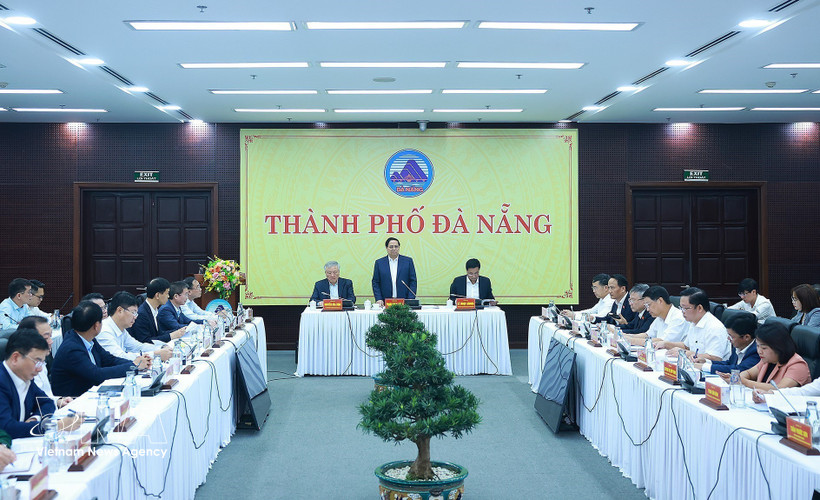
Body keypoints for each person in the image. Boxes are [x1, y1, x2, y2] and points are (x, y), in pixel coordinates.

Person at [51, 301, 149, 398]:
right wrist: (134, 366)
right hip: (72, 400)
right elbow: (96, 375)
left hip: (90, 393)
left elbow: (109, 360)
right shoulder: (72, 349)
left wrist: (136, 364)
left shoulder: (89, 339)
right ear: (96, 326)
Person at [0, 329, 81, 438]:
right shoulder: (2, 381)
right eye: (37, 361)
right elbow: (6, 428)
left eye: (42, 362)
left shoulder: (25, 378)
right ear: (15, 358)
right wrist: (55, 426)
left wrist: (35, 418)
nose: (40, 369)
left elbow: (47, 402)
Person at [719, 321, 811, 392]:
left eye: (764, 348)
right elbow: (749, 373)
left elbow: (780, 390)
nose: (759, 351)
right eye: (757, 346)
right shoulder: (768, 360)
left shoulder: (797, 365)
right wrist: (735, 378)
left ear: (779, 347)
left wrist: (744, 382)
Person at [97, 291, 173, 362]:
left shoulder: (121, 329)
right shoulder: (104, 331)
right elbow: (119, 357)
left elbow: (138, 347)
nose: (135, 317)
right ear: (120, 310)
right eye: (133, 312)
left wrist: (161, 347)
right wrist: (155, 354)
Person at [661, 287, 730, 361]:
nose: (682, 312)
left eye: (685, 308)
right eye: (681, 308)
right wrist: (666, 344)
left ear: (699, 308)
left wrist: (685, 353)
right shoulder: (694, 322)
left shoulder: (714, 327)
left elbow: (715, 358)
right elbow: (686, 346)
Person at [17, 316, 72, 408]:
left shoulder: (39, 362)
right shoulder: (20, 371)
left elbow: (43, 397)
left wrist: (58, 401)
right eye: (46, 338)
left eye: (51, 336)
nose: (51, 342)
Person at [695, 311, 760, 374]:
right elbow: (729, 363)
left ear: (746, 337)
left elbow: (739, 369)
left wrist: (705, 367)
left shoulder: (757, 351)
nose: (728, 339)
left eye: (731, 336)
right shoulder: (739, 344)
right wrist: (707, 362)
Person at [130, 278, 185, 343]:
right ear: (157, 295)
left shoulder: (155, 309)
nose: (168, 296)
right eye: (167, 293)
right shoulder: (142, 314)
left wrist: (178, 332)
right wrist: (171, 336)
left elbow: (159, 333)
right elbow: (145, 341)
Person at [371, 237, 417, 307]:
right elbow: (375, 282)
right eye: (391, 247)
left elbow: (413, 281)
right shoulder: (379, 263)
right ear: (386, 248)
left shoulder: (408, 261)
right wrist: (379, 299)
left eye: (396, 246)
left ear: (399, 247)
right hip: (385, 301)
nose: (394, 249)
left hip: (404, 301)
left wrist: (410, 298)